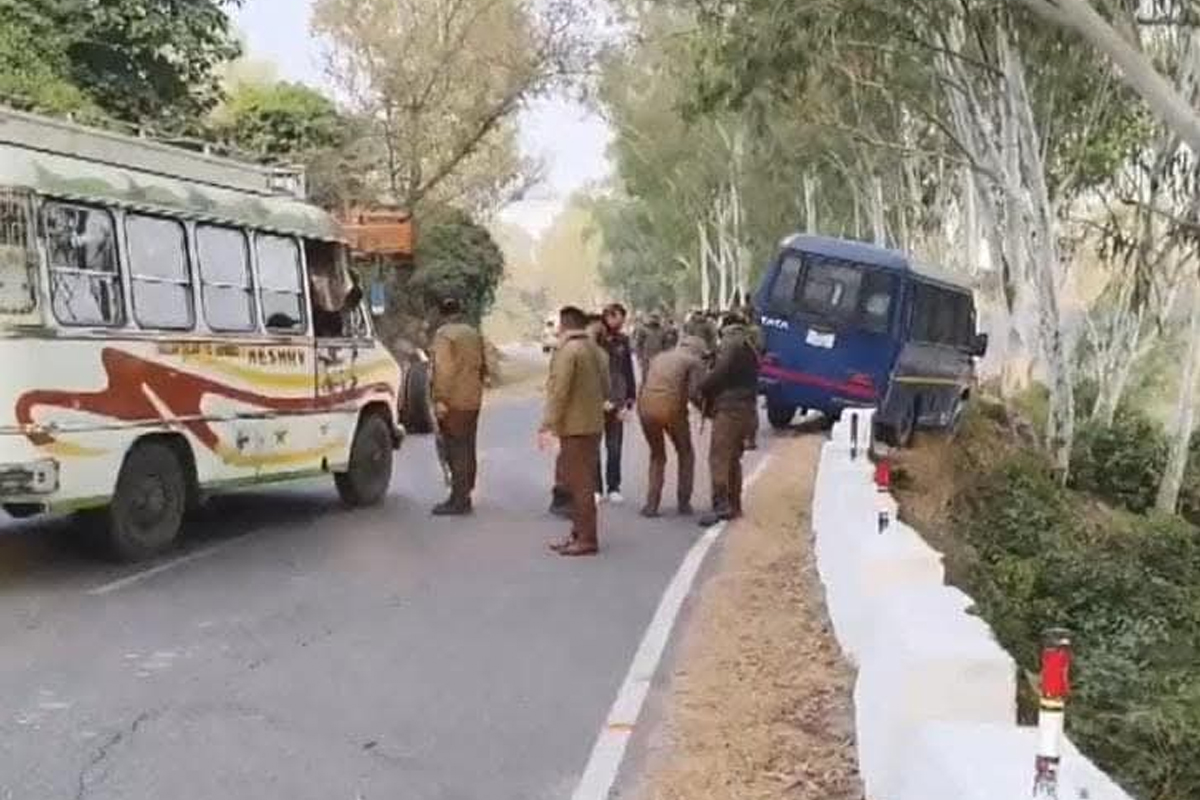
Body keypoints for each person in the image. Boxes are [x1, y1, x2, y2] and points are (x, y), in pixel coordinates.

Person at [539, 306, 609, 557]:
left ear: (565, 324)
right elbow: (606, 386)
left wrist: (548, 424)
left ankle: (587, 538)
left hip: (574, 426)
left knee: (579, 485)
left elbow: (559, 391)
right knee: (583, 480)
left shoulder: (568, 351)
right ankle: (578, 533)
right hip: (593, 423)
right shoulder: (596, 350)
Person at [696, 311, 761, 527]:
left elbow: (721, 372)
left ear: (725, 326)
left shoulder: (731, 343)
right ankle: (734, 504)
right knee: (734, 457)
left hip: (730, 408)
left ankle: (720, 506)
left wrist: (703, 386)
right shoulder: (750, 344)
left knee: (719, 457)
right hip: (747, 408)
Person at [637, 334, 707, 518]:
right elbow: (694, 392)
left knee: (657, 455)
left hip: (645, 407)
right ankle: (684, 502)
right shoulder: (694, 362)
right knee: (685, 453)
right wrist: (706, 410)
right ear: (699, 350)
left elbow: (644, 382)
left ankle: (651, 504)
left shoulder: (659, 357)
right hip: (671, 409)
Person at [430, 296, 487, 516]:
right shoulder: (472, 333)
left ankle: (459, 499)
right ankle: (465, 492)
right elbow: (484, 364)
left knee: (455, 449)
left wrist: (440, 398)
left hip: (453, 400)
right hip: (473, 397)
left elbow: (444, 370)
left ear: (442, 314)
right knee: (468, 446)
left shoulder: (444, 335)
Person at [596, 303, 637, 504]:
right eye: (619, 318)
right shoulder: (595, 340)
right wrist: (600, 398)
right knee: (594, 447)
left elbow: (628, 370)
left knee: (615, 446)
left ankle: (614, 486)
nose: (621, 323)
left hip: (618, 399)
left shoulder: (623, 341)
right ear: (609, 317)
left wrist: (630, 398)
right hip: (596, 401)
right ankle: (596, 488)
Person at [633, 312, 669, 376]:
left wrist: (665, 358)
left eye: (656, 318)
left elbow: (665, 345)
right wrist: (639, 357)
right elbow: (638, 344)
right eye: (653, 317)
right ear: (649, 318)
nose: (654, 319)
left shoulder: (662, 330)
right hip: (646, 358)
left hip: (659, 358)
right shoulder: (643, 329)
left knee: (658, 377)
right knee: (646, 377)